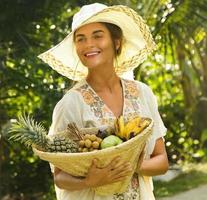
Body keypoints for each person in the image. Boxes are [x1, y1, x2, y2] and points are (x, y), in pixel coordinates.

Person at [38, 3, 169, 200]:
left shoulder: (142, 93)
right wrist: (89, 181)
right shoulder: (71, 103)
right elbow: (60, 176)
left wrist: (131, 165)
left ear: (117, 42)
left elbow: (161, 161)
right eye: (80, 39)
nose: (88, 44)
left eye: (97, 35)